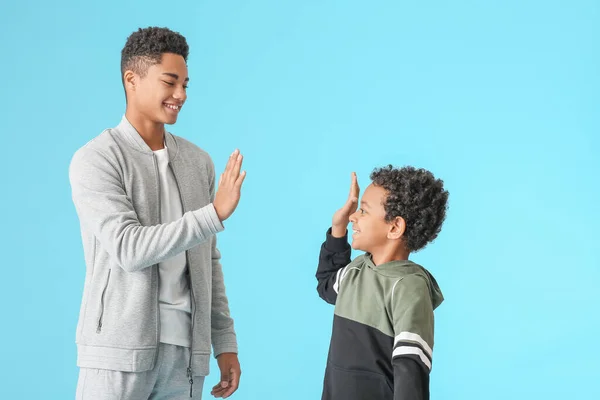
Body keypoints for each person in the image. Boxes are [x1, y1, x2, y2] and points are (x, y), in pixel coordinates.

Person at [69, 27, 244, 399]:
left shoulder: (198, 163)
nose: (180, 95)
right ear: (131, 80)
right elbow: (128, 248)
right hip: (118, 355)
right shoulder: (97, 159)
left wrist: (224, 340)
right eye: (170, 82)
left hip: (185, 359)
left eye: (185, 84)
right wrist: (213, 214)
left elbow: (207, 260)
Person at [316, 167, 449, 400]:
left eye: (364, 211)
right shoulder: (356, 271)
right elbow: (326, 284)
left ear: (395, 227)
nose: (353, 217)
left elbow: (411, 371)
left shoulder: (408, 286)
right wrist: (338, 229)